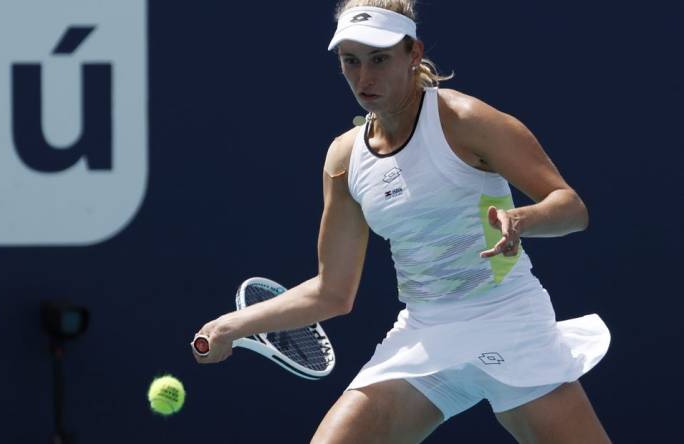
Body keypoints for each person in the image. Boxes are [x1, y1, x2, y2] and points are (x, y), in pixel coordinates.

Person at [193, 1, 611, 442]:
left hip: (509, 321)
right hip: (425, 334)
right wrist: (229, 326)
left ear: (413, 54)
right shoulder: (343, 159)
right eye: (350, 62)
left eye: (379, 59)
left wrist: (521, 220)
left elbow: (570, 208)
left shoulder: (464, 120)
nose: (364, 77)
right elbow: (331, 292)